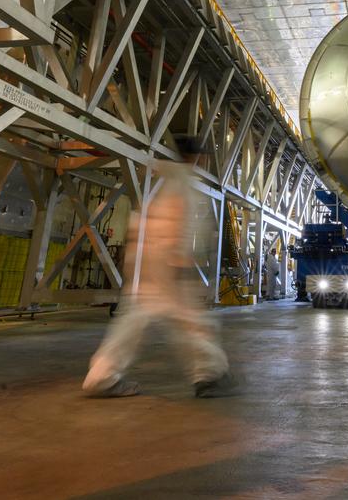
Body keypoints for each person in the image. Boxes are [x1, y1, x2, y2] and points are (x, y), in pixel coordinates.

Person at [83, 140, 235, 398]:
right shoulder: (183, 182)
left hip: (144, 259)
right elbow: (181, 223)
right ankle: (210, 374)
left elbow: (141, 221)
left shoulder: (160, 179)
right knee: (192, 321)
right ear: (197, 158)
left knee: (133, 320)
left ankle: (101, 377)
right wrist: (181, 259)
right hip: (169, 263)